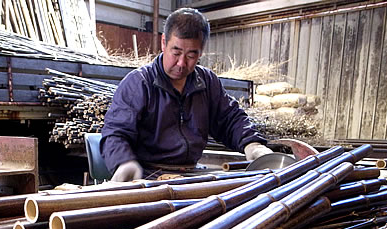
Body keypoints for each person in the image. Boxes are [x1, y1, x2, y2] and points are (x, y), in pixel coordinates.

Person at [100, 7, 273, 182]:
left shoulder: (207, 82)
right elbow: (116, 133)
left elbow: (230, 118)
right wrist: (124, 162)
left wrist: (252, 144)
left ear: (201, 51)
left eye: (191, 55)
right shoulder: (139, 83)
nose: (181, 63)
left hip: (190, 175)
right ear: (163, 42)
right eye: (176, 53)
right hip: (147, 176)